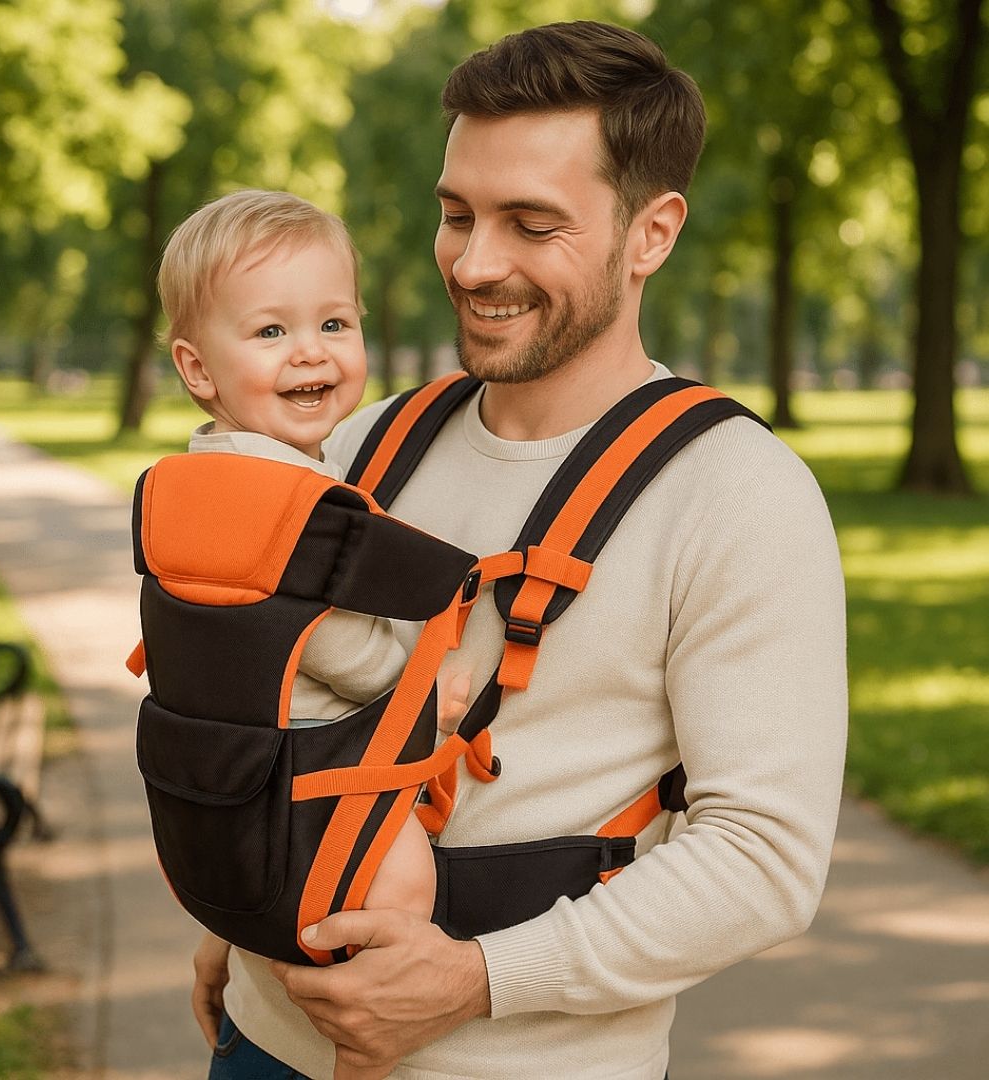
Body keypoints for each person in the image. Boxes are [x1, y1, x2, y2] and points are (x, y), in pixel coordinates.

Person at [192, 21, 847, 1080]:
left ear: (651, 233)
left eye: (531, 224)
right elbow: (279, 700)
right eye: (457, 215)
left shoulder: (738, 495)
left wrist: (477, 979)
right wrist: (239, 917)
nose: (474, 263)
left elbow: (763, 859)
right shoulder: (363, 443)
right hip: (263, 1043)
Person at [155, 190, 471, 943]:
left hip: (235, 757)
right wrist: (420, 696)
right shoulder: (283, 497)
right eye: (271, 331)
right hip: (310, 767)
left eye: (334, 324)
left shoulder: (205, 474)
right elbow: (324, 637)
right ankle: (378, 1005)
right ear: (198, 369)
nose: (309, 351)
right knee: (403, 878)